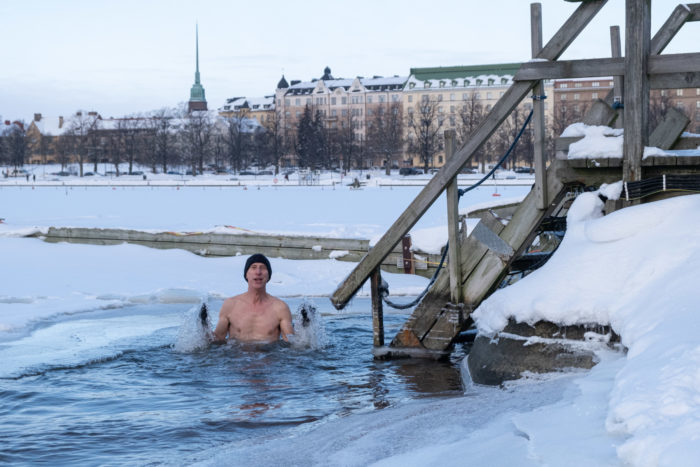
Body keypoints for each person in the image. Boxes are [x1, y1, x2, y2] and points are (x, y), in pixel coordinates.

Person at [212, 253, 294, 344]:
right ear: (246, 274)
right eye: (253, 267)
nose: (258, 272)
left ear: (268, 276)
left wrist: (305, 329)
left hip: (268, 356)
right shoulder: (231, 305)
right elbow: (217, 339)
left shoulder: (280, 308)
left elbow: (291, 342)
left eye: (262, 268)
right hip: (236, 356)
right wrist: (203, 327)